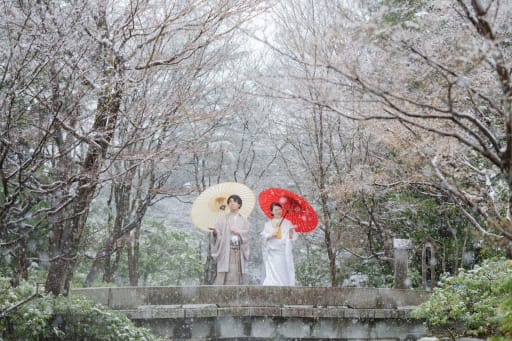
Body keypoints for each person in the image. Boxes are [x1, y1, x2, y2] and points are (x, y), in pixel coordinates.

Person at [208, 194, 251, 285]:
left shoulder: (244, 220)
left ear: (239, 205)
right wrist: (215, 232)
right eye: (230, 202)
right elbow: (218, 233)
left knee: (235, 273)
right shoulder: (223, 219)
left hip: (237, 251)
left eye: (234, 201)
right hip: (225, 250)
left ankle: (235, 294)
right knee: (224, 273)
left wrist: (238, 231)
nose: (232, 203)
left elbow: (247, 234)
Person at [261, 202, 297, 286]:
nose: (278, 211)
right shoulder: (267, 224)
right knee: (272, 275)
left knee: (283, 273)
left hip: (283, 253)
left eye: (280, 209)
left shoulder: (287, 223)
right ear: (272, 212)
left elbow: (292, 238)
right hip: (272, 253)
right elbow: (263, 238)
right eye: (276, 210)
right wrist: (271, 235)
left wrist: (291, 232)